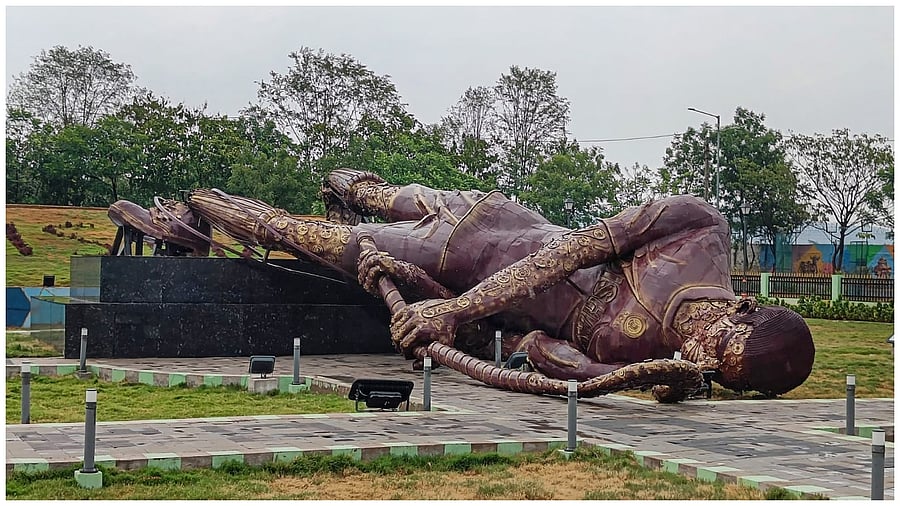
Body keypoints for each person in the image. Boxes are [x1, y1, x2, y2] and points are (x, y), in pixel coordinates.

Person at [116, 169, 816, 398]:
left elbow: (545, 356)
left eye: (712, 368)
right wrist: (455, 313)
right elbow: (567, 253)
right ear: (744, 306)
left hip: (451, 264)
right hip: (493, 226)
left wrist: (646, 375)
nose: (696, 351)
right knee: (361, 189)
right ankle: (322, 191)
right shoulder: (696, 231)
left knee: (309, 238)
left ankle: (195, 207)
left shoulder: (654, 363)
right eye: (714, 341)